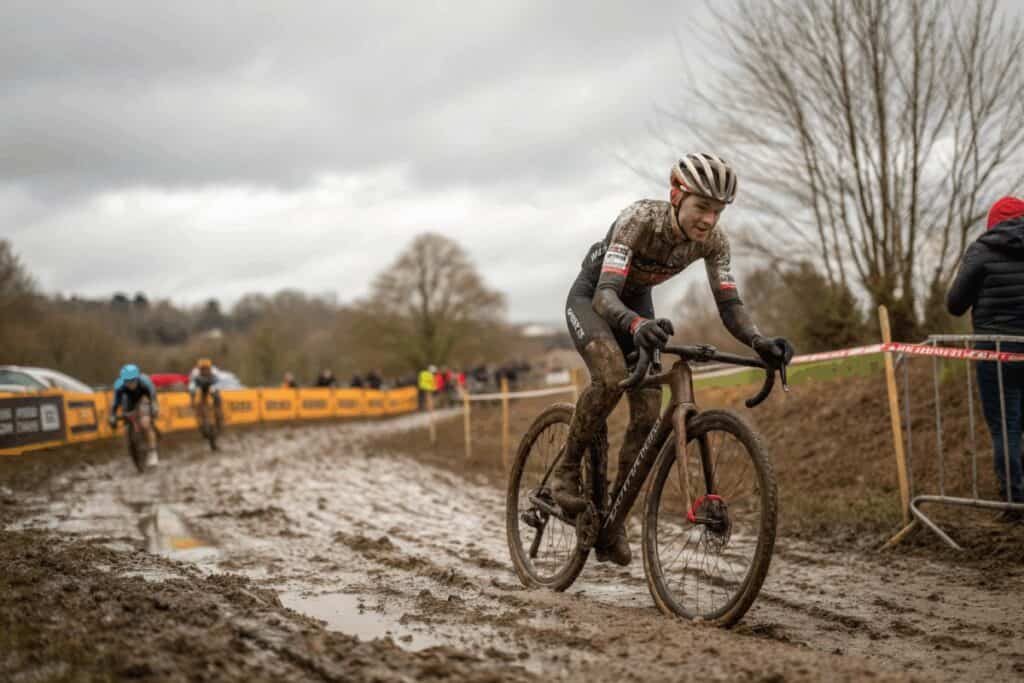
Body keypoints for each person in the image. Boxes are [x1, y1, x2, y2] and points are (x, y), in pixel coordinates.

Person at [555, 153, 794, 565]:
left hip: (635, 305)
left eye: (717, 211)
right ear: (676, 196)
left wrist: (759, 341)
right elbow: (605, 295)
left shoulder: (714, 242)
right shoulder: (639, 220)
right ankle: (566, 471)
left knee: (648, 413)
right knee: (612, 377)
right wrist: (634, 326)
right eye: (701, 207)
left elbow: (729, 304)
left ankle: (612, 519)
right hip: (595, 299)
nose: (708, 220)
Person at [947, 196, 1024, 519]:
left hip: (996, 353)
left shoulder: (981, 250)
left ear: (992, 222)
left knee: (1004, 426)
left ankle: (1013, 501)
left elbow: (955, 304)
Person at [108, 363, 160, 468]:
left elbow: (152, 398)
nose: (130, 384)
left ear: (137, 378)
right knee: (126, 416)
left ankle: (153, 452)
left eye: (132, 381)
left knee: (145, 423)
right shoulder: (119, 386)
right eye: (127, 381)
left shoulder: (145, 382)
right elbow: (115, 403)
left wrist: (154, 407)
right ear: (123, 380)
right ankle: (132, 439)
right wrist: (112, 416)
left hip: (144, 398)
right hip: (129, 400)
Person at [188, 358, 224, 430]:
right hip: (201, 385)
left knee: (216, 397)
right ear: (199, 369)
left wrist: (214, 394)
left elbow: (217, 385)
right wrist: (192, 400)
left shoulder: (215, 372)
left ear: (210, 368)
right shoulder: (195, 373)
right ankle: (203, 418)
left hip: (212, 383)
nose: (204, 371)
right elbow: (192, 387)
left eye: (206, 369)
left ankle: (218, 416)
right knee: (201, 400)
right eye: (202, 369)